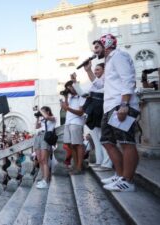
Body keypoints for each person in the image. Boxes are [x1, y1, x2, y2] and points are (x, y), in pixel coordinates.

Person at [93, 34, 140, 192]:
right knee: (107, 141)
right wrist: (87, 69)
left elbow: (128, 79)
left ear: (107, 45)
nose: (95, 50)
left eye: (97, 47)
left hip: (120, 104)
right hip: (109, 107)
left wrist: (125, 104)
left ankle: (128, 180)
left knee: (126, 142)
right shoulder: (108, 61)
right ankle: (120, 175)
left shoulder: (119, 56)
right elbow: (99, 84)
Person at [82, 60, 112, 171]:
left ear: (105, 70)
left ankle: (107, 162)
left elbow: (103, 90)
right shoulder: (97, 82)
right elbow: (95, 86)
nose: (96, 71)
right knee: (96, 139)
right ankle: (100, 161)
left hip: (102, 110)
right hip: (94, 111)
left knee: (104, 138)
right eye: (95, 69)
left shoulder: (107, 79)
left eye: (98, 69)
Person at [60, 80, 86, 175]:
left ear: (75, 86)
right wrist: (66, 98)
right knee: (70, 144)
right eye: (67, 88)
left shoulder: (81, 96)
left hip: (76, 122)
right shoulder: (70, 97)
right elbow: (65, 109)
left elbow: (81, 112)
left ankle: (79, 167)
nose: (69, 89)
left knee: (78, 144)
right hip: (68, 122)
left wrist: (68, 108)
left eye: (70, 87)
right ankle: (76, 165)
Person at [33, 106, 56, 189]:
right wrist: (37, 118)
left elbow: (46, 117)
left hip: (45, 137)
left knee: (44, 160)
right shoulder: (42, 119)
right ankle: (44, 178)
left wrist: (39, 110)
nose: (41, 112)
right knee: (39, 160)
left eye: (43, 111)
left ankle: (46, 180)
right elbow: (36, 127)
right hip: (38, 137)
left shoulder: (53, 118)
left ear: (48, 112)